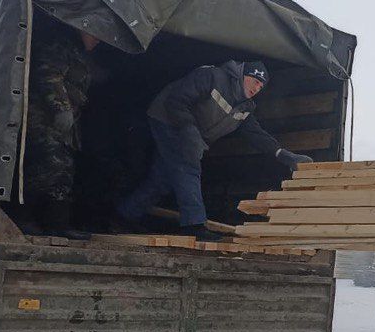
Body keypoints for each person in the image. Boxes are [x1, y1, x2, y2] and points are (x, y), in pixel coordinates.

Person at [116, 60, 314, 240]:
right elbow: (176, 100)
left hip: (190, 132)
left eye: (261, 86)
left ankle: (124, 215)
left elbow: (257, 135)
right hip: (167, 119)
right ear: (243, 75)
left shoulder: (245, 108)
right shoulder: (213, 77)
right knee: (188, 166)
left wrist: (283, 154)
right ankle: (194, 225)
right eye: (254, 81)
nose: (257, 88)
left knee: (163, 179)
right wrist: (189, 131)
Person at [25, 17, 100, 238]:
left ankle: (57, 225)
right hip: (44, 120)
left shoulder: (82, 54)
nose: (97, 41)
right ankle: (26, 218)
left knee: (63, 171)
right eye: (95, 35)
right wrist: (61, 108)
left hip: (65, 125)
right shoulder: (60, 44)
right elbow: (48, 74)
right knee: (44, 168)